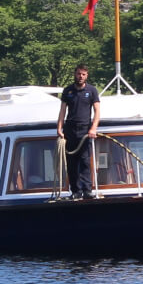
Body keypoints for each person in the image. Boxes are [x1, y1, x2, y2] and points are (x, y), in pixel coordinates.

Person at [57, 64, 101, 199]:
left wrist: (93, 128)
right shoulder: (68, 91)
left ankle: (87, 190)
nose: (80, 76)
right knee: (71, 162)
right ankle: (75, 191)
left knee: (85, 161)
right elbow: (62, 110)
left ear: (86, 76)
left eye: (83, 74)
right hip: (70, 130)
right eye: (78, 74)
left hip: (85, 130)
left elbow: (97, 110)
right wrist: (59, 128)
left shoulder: (92, 90)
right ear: (74, 74)